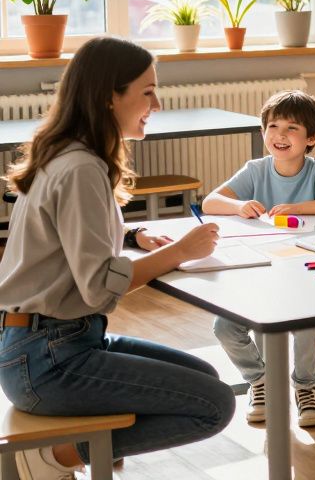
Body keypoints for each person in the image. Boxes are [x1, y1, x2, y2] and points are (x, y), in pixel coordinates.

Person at [0, 37, 235, 479]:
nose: (156, 104)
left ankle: (90, 446)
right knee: (214, 405)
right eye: (148, 92)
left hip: (45, 345)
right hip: (50, 360)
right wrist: (181, 251)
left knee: (206, 375)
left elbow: (69, 235)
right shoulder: (81, 168)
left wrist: (133, 235)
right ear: (110, 96)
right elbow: (97, 285)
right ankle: (52, 458)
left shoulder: (70, 155)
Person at [202, 89, 315, 427]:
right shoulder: (256, 170)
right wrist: (238, 205)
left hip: (307, 274)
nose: (280, 135)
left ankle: (305, 387)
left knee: (308, 322)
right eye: (273, 126)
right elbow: (210, 202)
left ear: (311, 138)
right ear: (263, 131)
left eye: (292, 128)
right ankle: (260, 381)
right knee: (224, 327)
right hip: (260, 274)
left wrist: (297, 208)